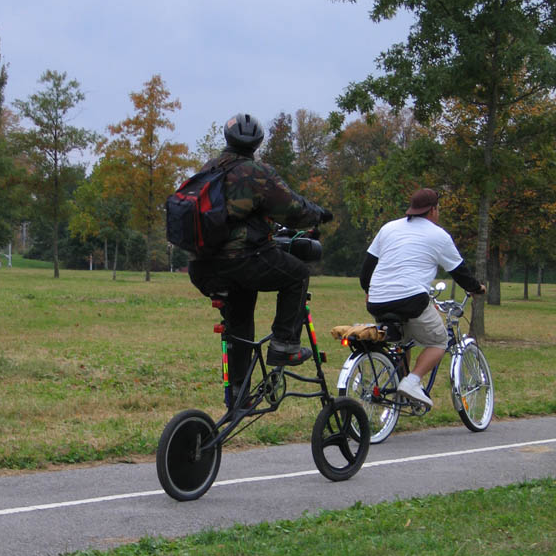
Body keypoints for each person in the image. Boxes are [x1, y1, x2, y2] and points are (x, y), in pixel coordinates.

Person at [188, 113, 332, 404]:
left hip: (202, 268)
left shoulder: (207, 171)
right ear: (256, 143)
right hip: (241, 261)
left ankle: (240, 393)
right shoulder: (255, 173)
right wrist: (319, 214)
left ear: (227, 139)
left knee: (240, 315)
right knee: (297, 274)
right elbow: (291, 207)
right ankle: (284, 344)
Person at [360, 188, 485, 408]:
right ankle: (412, 381)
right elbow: (460, 273)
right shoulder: (439, 235)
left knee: (402, 343)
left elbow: (367, 268)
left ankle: (399, 394)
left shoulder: (388, 228)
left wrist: (369, 290)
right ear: (433, 210)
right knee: (439, 341)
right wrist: (477, 289)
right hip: (410, 300)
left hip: (377, 300)